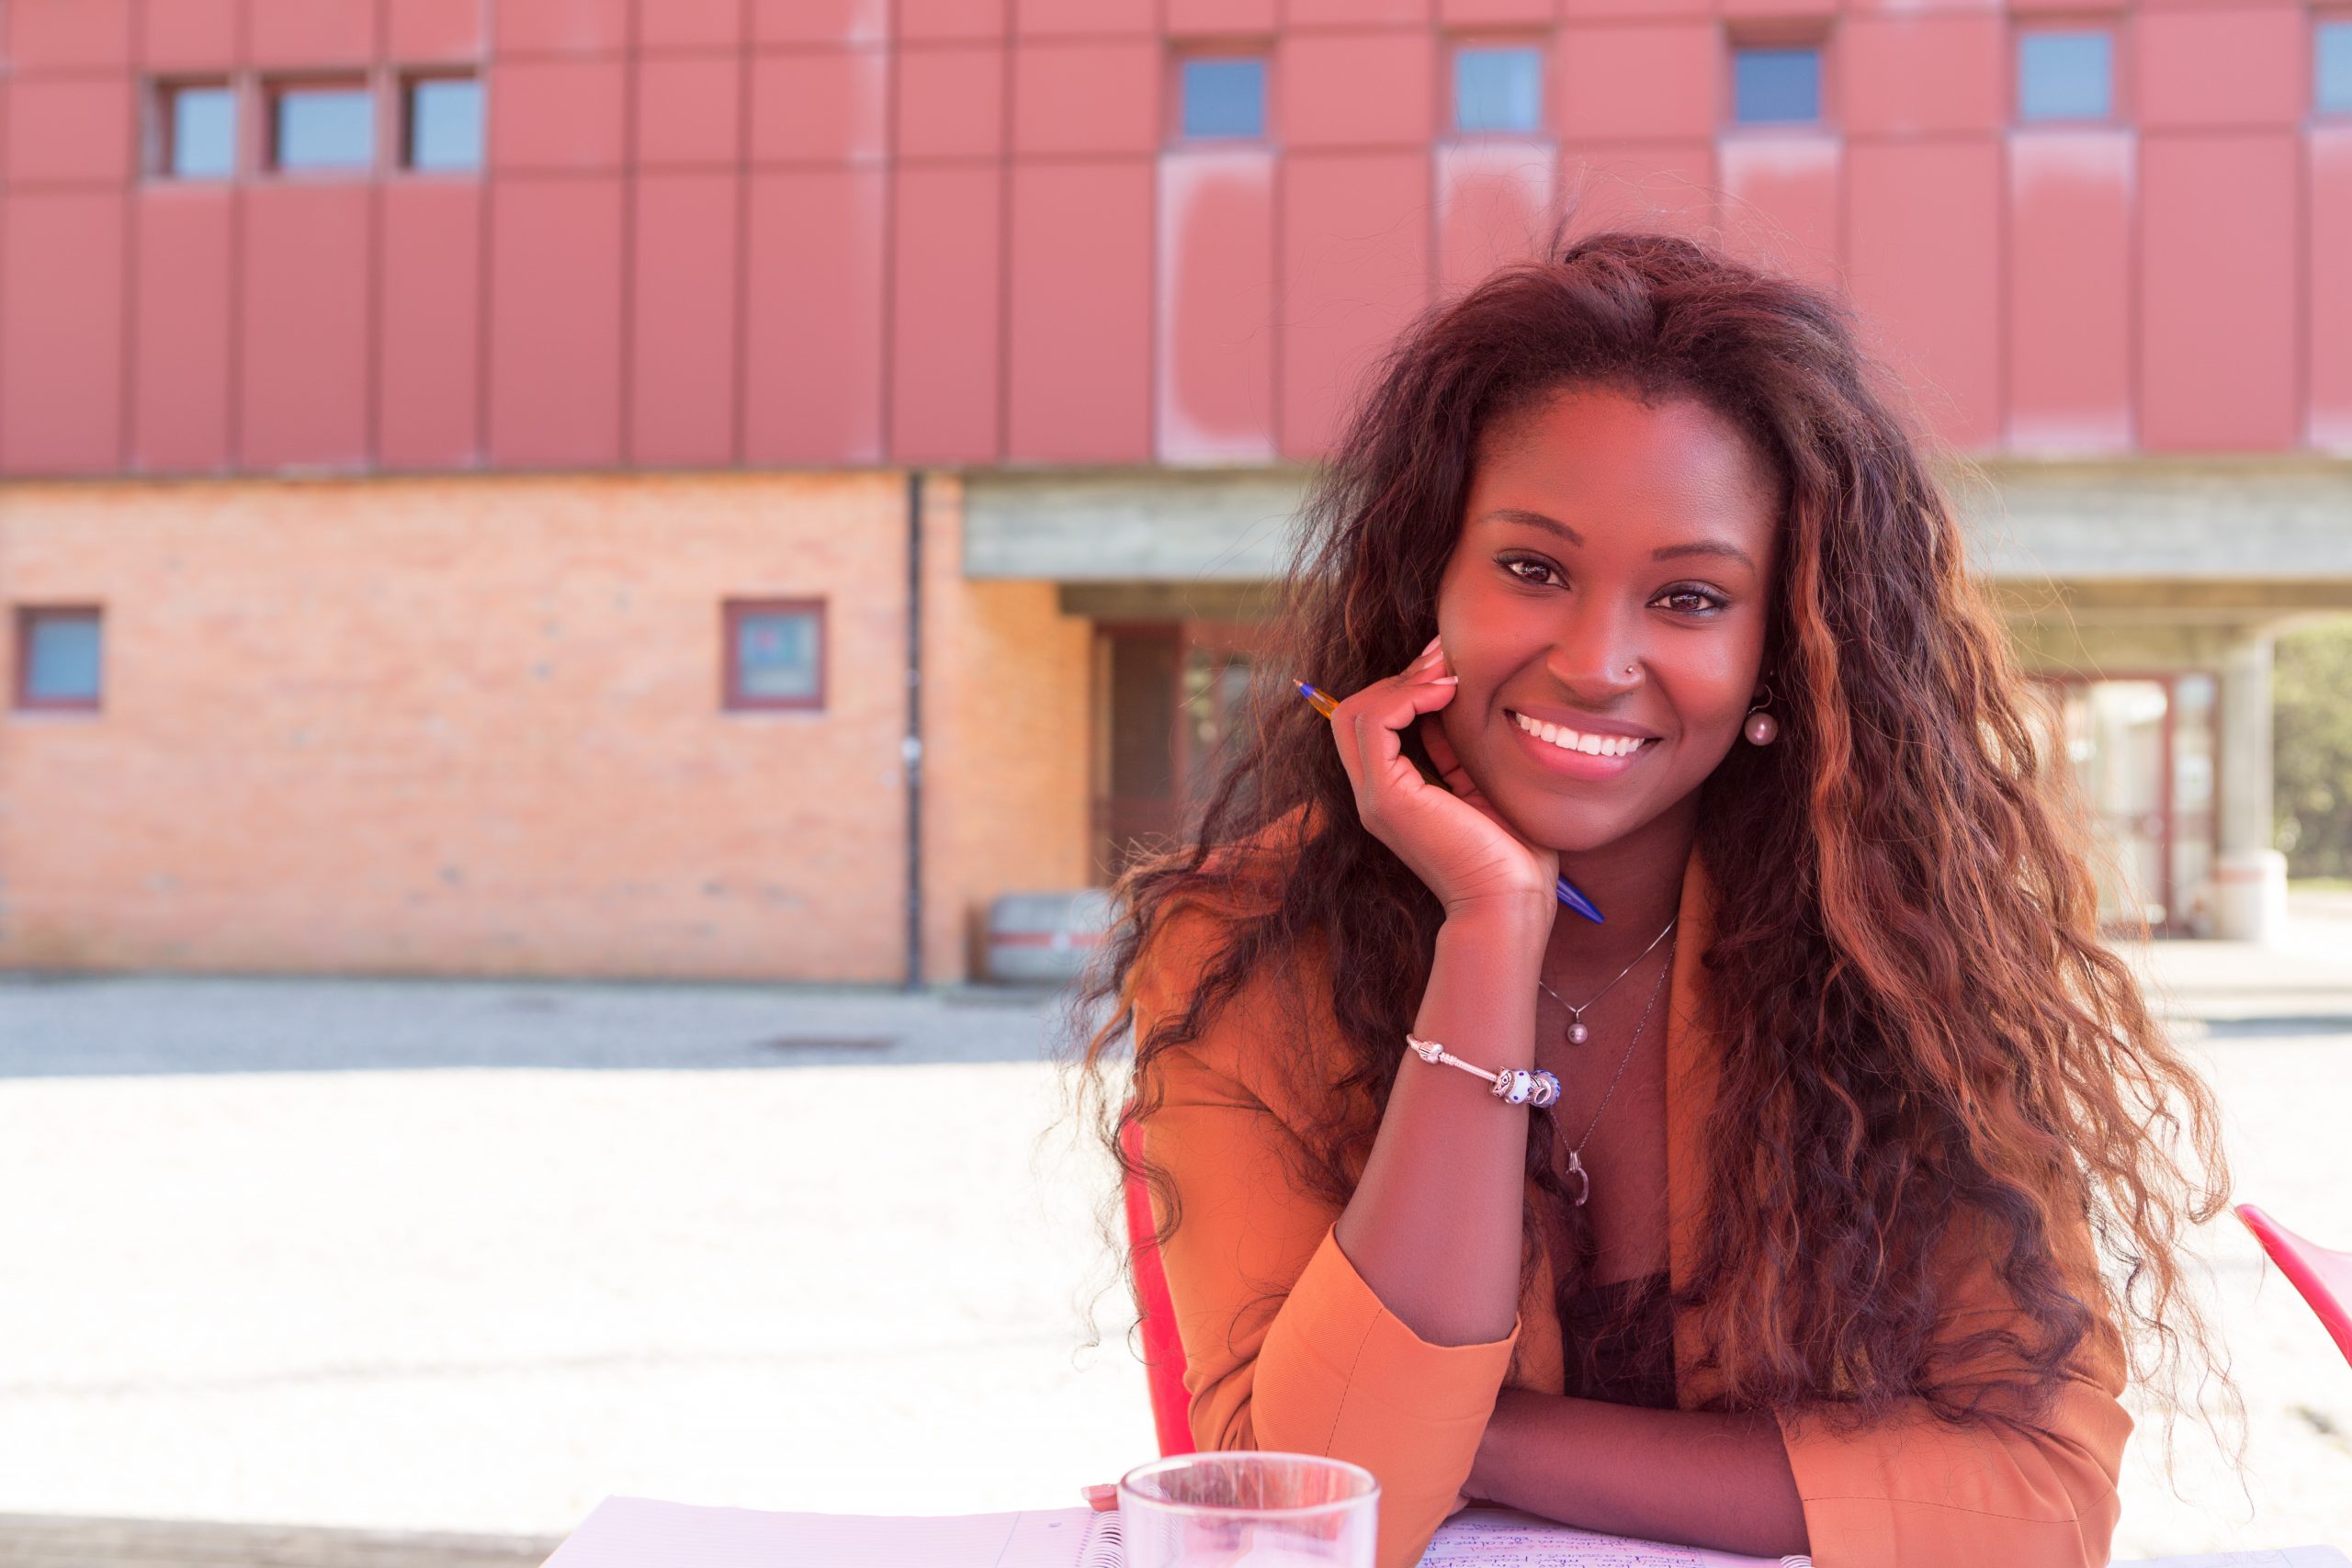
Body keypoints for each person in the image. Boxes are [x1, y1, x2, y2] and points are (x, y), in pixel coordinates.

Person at [1072, 231, 2230, 1568]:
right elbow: (1320, 1516)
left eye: (1689, 596)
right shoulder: (1241, 946)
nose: (1596, 660)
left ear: (1779, 649)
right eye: (1532, 568)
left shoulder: (1902, 949)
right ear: (1425, 582)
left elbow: (2037, 1499)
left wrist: (1477, 1437)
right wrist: (1492, 927)